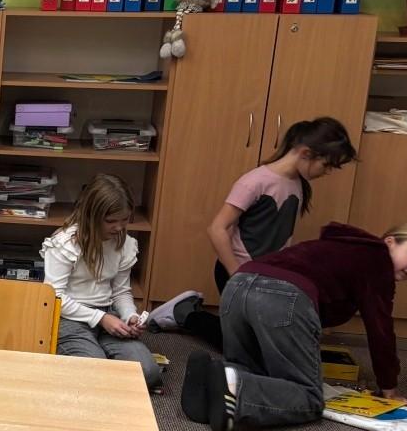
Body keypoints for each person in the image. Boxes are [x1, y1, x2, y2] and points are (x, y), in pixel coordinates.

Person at [182, 223, 407, 431]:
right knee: (309, 396)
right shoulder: (378, 261)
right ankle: (238, 388)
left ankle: (211, 383)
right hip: (281, 297)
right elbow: (381, 330)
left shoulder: (342, 246)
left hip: (237, 285)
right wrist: (389, 387)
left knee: (252, 371)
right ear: (390, 242)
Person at [149, 117, 357, 347]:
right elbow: (217, 228)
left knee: (265, 342)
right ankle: (184, 313)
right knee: (245, 347)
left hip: (266, 274)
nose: (327, 172)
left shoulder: (297, 183)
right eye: (326, 165)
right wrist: (237, 274)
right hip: (239, 271)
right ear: (306, 153)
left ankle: (190, 314)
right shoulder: (256, 181)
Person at [42, 174, 162, 389]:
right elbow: (54, 297)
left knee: (149, 372)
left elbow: (121, 291)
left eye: (124, 219)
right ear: (91, 215)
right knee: (95, 373)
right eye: (111, 221)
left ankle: (98, 363)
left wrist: (130, 315)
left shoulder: (125, 244)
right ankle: (97, 365)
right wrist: (101, 318)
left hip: (108, 316)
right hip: (69, 319)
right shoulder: (65, 243)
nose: (119, 227)